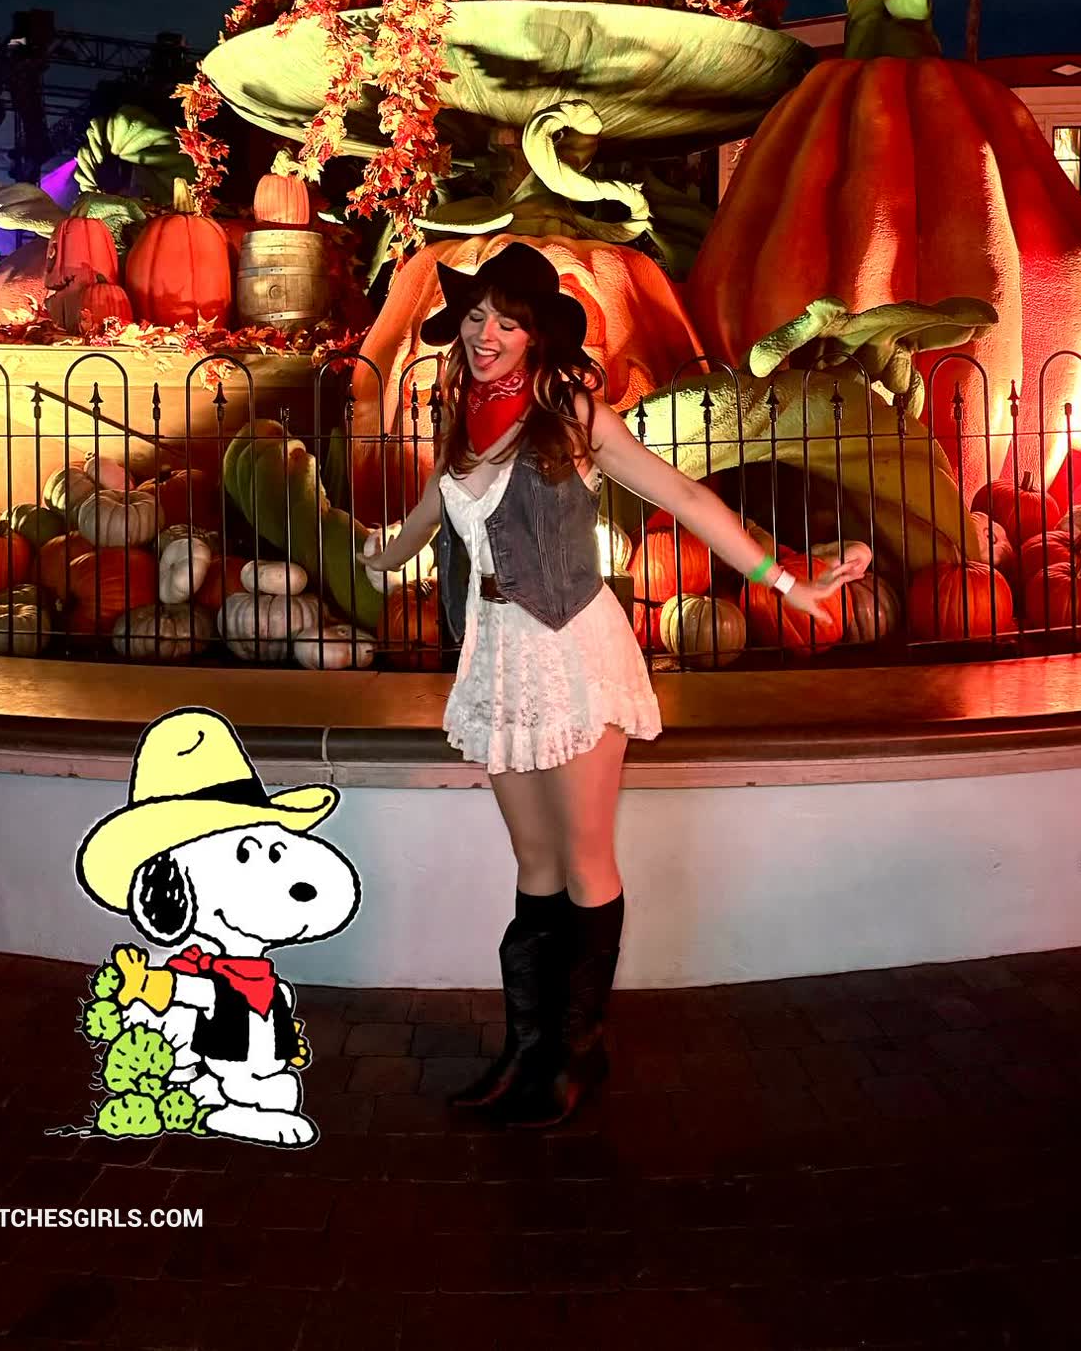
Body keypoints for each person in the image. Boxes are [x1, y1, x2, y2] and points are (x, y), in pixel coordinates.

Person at [360, 243, 863, 1128]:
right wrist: (375, 556)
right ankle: (526, 1051)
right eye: (475, 317)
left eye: (506, 321)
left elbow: (686, 499)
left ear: (536, 335)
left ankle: (576, 1055)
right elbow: (421, 524)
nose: (485, 334)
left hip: (574, 651)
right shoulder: (461, 422)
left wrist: (788, 581)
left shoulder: (572, 416)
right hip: (499, 658)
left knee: (587, 862)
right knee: (535, 866)